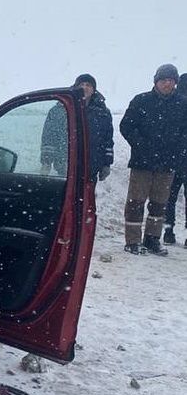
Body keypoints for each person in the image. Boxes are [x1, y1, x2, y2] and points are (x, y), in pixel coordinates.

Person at [119, 64, 187, 256]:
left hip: (168, 164)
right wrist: (141, 146)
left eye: (171, 81)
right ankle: (132, 241)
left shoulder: (183, 104)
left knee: (159, 203)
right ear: (156, 81)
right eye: (164, 80)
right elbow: (126, 127)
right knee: (136, 202)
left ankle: (152, 239)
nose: (168, 84)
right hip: (142, 163)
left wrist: (178, 150)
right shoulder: (141, 101)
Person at [39, 74, 114, 181]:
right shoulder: (60, 109)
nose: (84, 87)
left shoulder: (103, 113)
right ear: (75, 87)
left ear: (93, 90)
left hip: (91, 168)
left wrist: (107, 164)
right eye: (81, 84)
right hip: (65, 167)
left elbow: (108, 140)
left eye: (88, 85)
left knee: (87, 197)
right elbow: (49, 136)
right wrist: (46, 161)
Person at [162, 73, 187, 245]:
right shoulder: (178, 103)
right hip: (177, 156)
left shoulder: (175, 102)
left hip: (173, 157)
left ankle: (168, 230)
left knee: (169, 197)